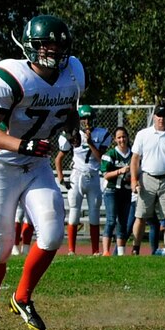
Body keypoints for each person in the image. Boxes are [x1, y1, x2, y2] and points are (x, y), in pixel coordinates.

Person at [0, 15, 84, 330]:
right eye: (45, 44)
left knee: (51, 235)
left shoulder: (73, 73)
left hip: (36, 165)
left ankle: (22, 297)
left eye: (58, 45)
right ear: (30, 46)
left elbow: (69, 113)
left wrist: (71, 132)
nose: (52, 51)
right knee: (2, 244)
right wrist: (22, 145)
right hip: (3, 166)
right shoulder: (12, 76)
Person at [129, 104, 165, 255]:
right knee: (140, 215)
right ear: (154, 116)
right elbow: (135, 159)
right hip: (147, 178)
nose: (161, 119)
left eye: (164, 116)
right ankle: (135, 248)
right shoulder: (143, 134)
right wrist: (134, 180)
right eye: (158, 115)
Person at [55, 105, 106, 255]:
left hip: (94, 176)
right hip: (77, 176)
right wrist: (61, 177)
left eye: (89, 118)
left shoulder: (102, 134)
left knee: (94, 213)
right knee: (74, 212)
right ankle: (71, 250)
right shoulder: (71, 133)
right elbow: (59, 158)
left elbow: (100, 159)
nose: (86, 121)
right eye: (83, 118)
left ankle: (95, 251)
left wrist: (90, 142)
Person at [100, 128, 134, 255]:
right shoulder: (110, 154)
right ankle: (106, 252)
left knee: (123, 222)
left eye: (124, 137)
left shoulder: (133, 154)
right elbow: (105, 174)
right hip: (112, 191)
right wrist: (120, 171)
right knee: (111, 220)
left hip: (126, 191)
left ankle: (121, 253)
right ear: (115, 139)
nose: (122, 140)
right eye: (119, 137)